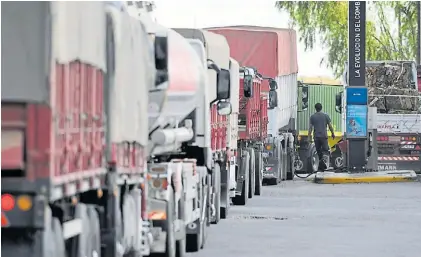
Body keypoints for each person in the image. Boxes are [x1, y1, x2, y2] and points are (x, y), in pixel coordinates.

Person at [308, 103, 335, 171]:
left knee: (318, 151)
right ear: (321, 108)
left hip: (316, 137)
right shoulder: (326, 116)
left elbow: (310, 128)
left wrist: (309, 137)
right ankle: (324, 164)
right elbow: (330, 126)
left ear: (315, 108)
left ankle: (321, 165)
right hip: (323, 136)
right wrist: (332, 133)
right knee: (325, 150)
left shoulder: (312, 117)